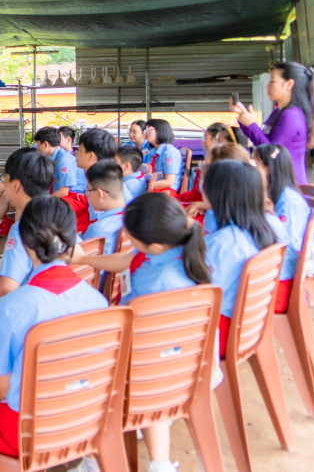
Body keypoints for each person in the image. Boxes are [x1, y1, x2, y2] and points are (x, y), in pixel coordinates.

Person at [70, 192, 210, 472]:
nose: (128, 241)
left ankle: (94, 460)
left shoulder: (159, 284)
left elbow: (131, 335)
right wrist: (85, 259)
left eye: (131, 237)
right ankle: (158, 463)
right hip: (174, 357)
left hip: (148, 363)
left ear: (154, 245)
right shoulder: (179, 243)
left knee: (81, 368)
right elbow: (126, 260)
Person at [0, 196, 108, 457]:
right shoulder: (98, 301)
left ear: (26, 244)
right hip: (87, 418)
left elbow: (1, 390)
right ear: (74, 241)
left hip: (27, 430)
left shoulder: (14, 305)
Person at [0, 149, 55, 341]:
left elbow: (7, 286)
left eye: (5, 179)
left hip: (28, 316)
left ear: (16, 185)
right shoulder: (59, 215)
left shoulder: (23, 228)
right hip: (53, 307)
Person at [201, 160, 279, 356]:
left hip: (217, 331)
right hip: (246, 324)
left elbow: (198, 293)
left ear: (219, 193)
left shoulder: (223, 243)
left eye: (206, 183)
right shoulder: (264, 226)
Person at [231, 61, 314, 185]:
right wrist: (244, 119)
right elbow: (263, 140)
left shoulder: (291, 116)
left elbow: (270, 153)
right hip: (278, 182)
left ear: (289, 84)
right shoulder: (279, 112)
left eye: (272, 81)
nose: (267, 86)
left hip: (289, 186)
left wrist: (251, 125)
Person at [253, 144, 312, 314]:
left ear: (268, 169)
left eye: (256, 164)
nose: (252, 169)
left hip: (280, 277)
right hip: (275, 271)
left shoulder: (290, 202)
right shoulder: (278, 195)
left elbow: (286, 247)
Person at [82, 160, 126, 255]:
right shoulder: (134, 216)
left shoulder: (99, 229)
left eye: (88, 191)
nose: (87, 195)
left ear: (99, 194)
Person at [76, 128, 118, 225]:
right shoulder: (107, 176)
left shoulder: (100, 186)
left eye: (80, 150)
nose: (77, 154)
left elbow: (98, 225)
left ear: (91, 156)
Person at [145, 119, 183, 196]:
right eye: (145, 129)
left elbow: (169, 182)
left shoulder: (169, 152)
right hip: (154, 187)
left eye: (149, 129)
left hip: (167, 191)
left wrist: (145, 186)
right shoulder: (152, 151)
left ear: (160, 131)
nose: (146, 132)